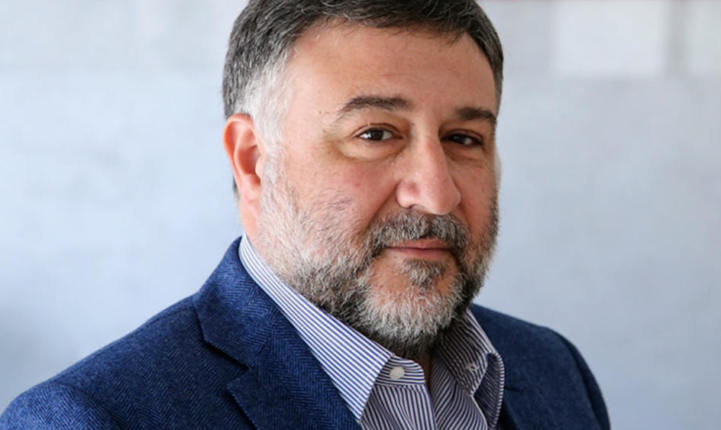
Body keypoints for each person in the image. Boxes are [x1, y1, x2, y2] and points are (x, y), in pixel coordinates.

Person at [0, 1, 609, 429]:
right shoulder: (91, 419)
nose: (436, 194)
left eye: (464, 139)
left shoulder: (553, 370)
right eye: (375, 134)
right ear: (252, 160)